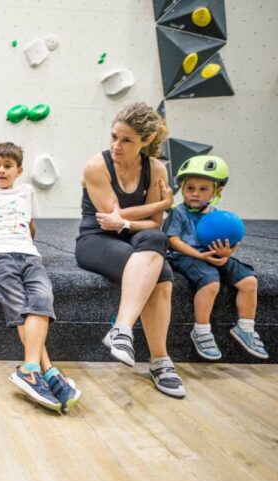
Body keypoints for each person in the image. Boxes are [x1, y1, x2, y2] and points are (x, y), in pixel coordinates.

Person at [75, 102, 185, 399]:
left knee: (156, 242)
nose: (116, 145)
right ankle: (161, 362)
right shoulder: (96, 166)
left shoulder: (156, 168)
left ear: (146, 142)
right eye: (113, 136)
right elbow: (110, 220)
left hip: (135, 238)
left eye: (126, 140)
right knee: (160, 273)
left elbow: (152, 226)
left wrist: (128, 220)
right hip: (96, 240)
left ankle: (122, 330)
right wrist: (161, 204)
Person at [0, 142, 81, 413]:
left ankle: (34, 370)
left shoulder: (27, 191)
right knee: (20, 307)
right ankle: (45, 369)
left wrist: (28, 246)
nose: (1, 171)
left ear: (19, 170)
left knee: (41, 301)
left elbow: (31, 226)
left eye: (8, 166)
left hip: (29, 255)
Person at [165, 155, 267, 360]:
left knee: (249, 281)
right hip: (184, 256)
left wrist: (226, 254)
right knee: (211, 283)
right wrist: (199, 255)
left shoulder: (217, 216)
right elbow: (173, 241)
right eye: (190, 188)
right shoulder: (178, 213)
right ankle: (201, 330)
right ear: (182, 188)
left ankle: (245, 328)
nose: (194, 193)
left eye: (203, 189)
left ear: (217, 191)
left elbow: (229, 243)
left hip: (211, 255)